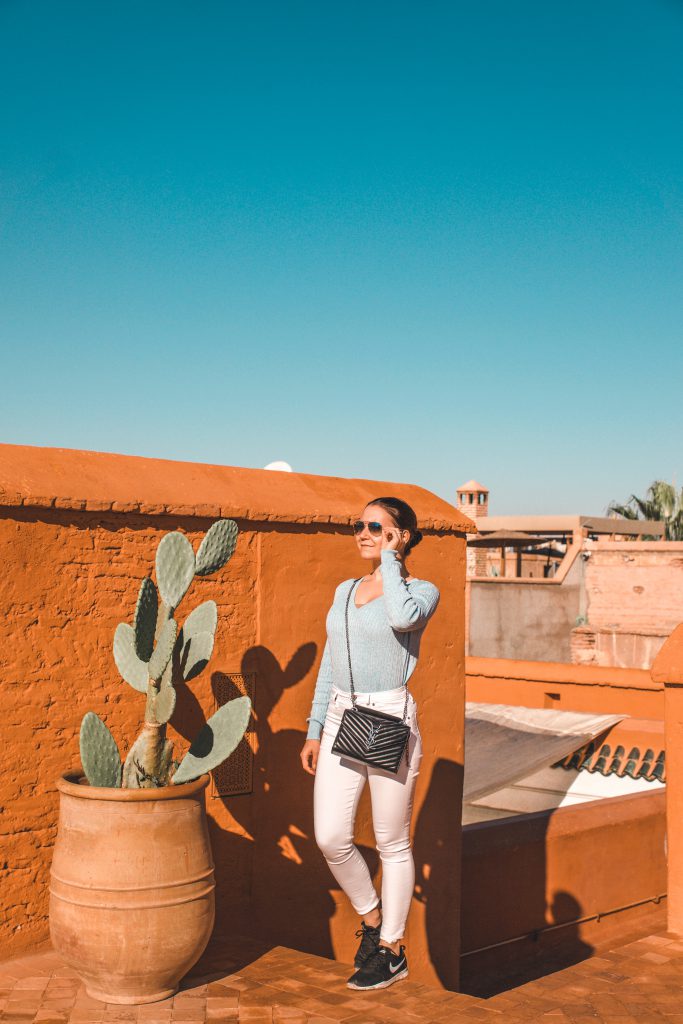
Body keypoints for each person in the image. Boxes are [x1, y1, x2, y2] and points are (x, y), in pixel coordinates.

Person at [300, 496, 440, 991]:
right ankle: (373, 917)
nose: (363, 532)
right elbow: (329, 661)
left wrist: (390, 561)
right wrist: (316, 727)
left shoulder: (421, 590)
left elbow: (402, 619)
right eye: (358, 525)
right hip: (342, 714)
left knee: (391, 842)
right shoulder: (344, 590)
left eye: (375, 527)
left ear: (400, 536)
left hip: (388, 718)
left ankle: (392, 950)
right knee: (331, 837)